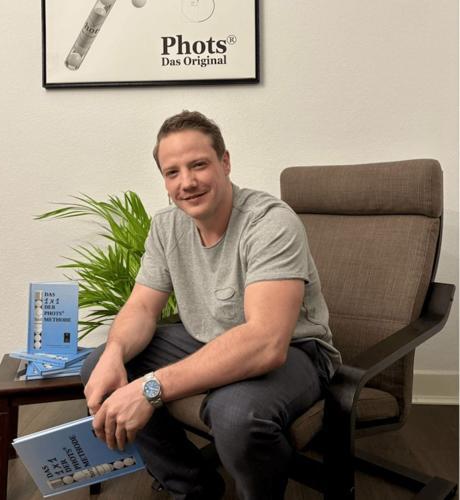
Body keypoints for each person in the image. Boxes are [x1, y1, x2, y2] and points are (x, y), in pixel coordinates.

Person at [81, 110, 342, 500]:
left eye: (198, 165)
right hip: (207, 340)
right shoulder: (166, 226)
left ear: (225, 162)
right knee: (99, 365)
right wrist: (115, 352)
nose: (186, 182)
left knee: (234, 413)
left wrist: (149, 389)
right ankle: (193, 489)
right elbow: (142, 308)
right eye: (172, 172)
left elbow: (266, 342)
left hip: (295, 352)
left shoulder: (269, 223)